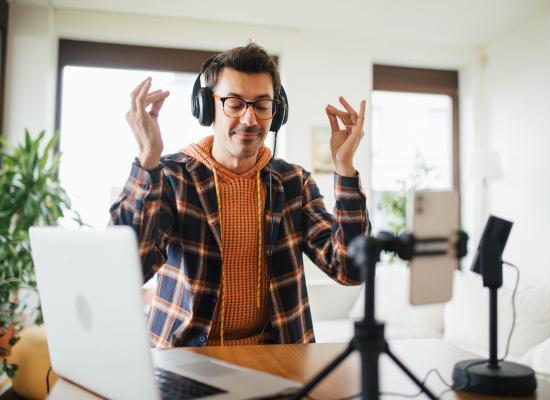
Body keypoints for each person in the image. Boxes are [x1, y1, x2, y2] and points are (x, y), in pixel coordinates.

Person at [110, 42, 370, 348]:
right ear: (208, 107)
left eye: (262, 105)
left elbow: (351, 270)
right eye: (234, 103)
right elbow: (125, 271)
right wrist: (147, 159)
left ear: (277, 110)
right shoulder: (171, 176)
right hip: (187, 359)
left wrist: (345, 167)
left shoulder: (293, 183)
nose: (249, 120)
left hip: (278, 361)